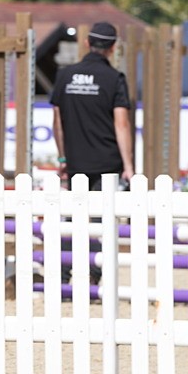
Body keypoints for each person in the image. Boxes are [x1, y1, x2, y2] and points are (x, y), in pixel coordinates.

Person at [49, 21, 135, 286]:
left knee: (71, 218)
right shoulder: (114, 79)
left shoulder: (66, 76)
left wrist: (63, 158)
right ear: (112, 48)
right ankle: (96, 274)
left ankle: (63, 276)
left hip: (76, 161)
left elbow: (58, 120)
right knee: (101, 220)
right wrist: (129, 166)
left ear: (86, 43)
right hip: (106, 162)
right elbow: (121, 123)